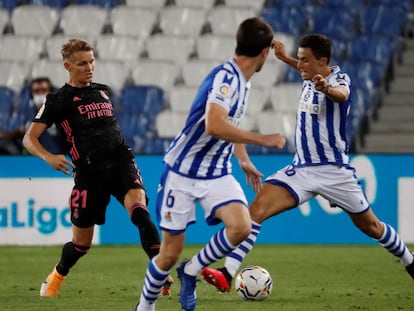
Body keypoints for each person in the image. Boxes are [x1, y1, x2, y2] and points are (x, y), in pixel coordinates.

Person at [201, 34, 414, 293]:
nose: (299, 65)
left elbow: (341, 95)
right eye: (298, 59)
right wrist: (284, 58)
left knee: (372, 227)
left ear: (323, 61)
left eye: (304, 60)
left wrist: (326, 89)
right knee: (255, 211)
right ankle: (227, 272)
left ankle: (410, 261)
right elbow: (307, 71)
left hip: (334, 172)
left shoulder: (338, 80)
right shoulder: (308, 75)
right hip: (301, 169)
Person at [135, 17, 286, 311]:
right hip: (182, 172)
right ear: (265, 52)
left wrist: (242, 158)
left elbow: (229, 124)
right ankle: (144, 307)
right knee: (168, 253)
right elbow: (215, 125)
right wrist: (262, 139)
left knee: (242, 226)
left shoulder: (244, 82)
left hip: (216, 171)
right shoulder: (226, 78)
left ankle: (191, 271)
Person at [23, 38, 172, 298]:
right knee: (81, 245)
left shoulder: (103, 90)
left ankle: (159, 273)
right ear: (67, 66)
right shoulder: (58, 99)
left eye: (92, 61)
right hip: (89, 175)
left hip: (122, 162)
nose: (89, 67)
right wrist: (49, 157)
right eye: (82, 63)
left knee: (139, 211)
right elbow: (29, 138)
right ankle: (57, 275)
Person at [0, 77, 65, 155]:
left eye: (44, 90)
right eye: (37, 91)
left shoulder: (61, 113)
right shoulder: (26, 116)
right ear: (31, 95)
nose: (40, 94)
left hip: (58, 158)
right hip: (33, 161)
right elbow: (17, 134)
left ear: (50, 92)